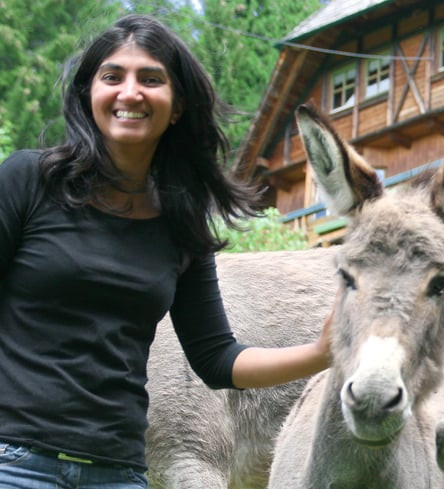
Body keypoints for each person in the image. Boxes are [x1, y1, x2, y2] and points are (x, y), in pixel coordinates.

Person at [0, 14, 332, 488]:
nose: (129, 92)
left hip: (120, 473)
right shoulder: (28, 181)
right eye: (112, 77)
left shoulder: (180, 222)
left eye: (151, 79)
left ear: (176, 106)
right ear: (88, 95)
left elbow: (217, 358)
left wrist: (323, 351)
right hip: (14, 465)